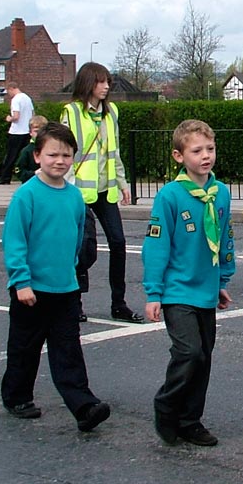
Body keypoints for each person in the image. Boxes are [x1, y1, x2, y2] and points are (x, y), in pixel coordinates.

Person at [0, 122, 111, 432]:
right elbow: (15, 241)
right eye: (52, 154)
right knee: (25, 347)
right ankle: (16, 396)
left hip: (65, 287)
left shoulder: (75, 197)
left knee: (68, 349)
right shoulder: (27, 196)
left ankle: (83, 405)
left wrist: (74, 268)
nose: (60, 161)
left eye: (66, 154)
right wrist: (21, 281)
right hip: (31, 288)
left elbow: (78, 235)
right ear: (37, 156)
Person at [143, 120, 235, 447]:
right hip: (176, 290)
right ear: (179, 156)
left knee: (204, 356)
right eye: (197, 151)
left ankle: (190, 420)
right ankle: (167, 404)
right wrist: (153, 292)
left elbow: (225, 238)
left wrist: (222, 279)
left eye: (210, 149)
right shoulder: (170, 196)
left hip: (206, 289)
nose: (205, 156)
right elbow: (156, 245)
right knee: (189, 351)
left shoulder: (220, 193)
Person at [61, 62, 143, 323]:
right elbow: (65, 153)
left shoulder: (112, 113)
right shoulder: (71, 113)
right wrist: (67, 187)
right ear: (88, 83)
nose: (106, 86)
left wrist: (122, 183)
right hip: (79, 191)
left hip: (105, 189)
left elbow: (114, 152)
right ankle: (75, 300)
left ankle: (118, 303)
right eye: (101, 81)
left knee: (118, 243)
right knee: (84, 249)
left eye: (107, 81)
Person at [0, 83, 34, 185]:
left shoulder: (15, 99)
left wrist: (9, 118)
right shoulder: (27, 98)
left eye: (8, 91)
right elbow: (33, 114)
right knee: (26, 155)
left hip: (16, 132)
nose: (8, 94)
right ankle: (27, 176)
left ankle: (5, 177)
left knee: (11, 156)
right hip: (27, 131)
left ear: (11, 88)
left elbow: (16, 116)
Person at [15, 115, 49, 183]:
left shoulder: (51, 148)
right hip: (31, 184)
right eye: (36, 131)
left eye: (42, 131)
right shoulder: (26, 151)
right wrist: (34, 173)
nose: (39, 134)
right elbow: (19, 171)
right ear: (30, 132)